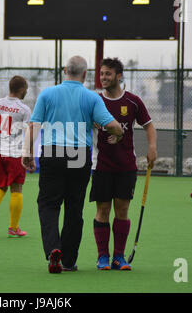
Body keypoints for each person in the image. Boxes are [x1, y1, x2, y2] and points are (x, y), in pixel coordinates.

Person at [21, 56, 123, 274]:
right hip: (79, 154)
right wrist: (118, 134)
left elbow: (33, 125)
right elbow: (113, 126)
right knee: (74, 208)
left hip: (53, 152)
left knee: (48, 204)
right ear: (85, 74)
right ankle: (68, 261)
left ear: (65, 70)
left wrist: (27, 153)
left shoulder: (47, 93)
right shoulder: (92, 98)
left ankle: (53, 249)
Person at [90, 58, 157, 271]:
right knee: (102, 210)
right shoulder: (94, 101)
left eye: (108, 74)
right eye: (101, 74)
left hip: (126, 165)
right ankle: (103, 257)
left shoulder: (133, 101)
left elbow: (149, 125)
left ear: (119, 76)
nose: (103, 78)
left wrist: (152, 147)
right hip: (100, 165)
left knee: (122, 209)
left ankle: (119, 257)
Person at [0, 76, 32, 237]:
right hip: (15, 154)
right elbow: (29, 133)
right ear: (22, 89)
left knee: (0, 187)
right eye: (26, 90)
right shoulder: (24, 109)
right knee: (16, 189)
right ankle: (13, 227)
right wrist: (29, 155)